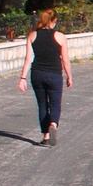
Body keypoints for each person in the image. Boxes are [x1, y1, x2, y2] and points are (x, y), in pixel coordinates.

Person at [18, 9, 73, 146]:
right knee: (55, 103)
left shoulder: (32, 35)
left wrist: (22, 78)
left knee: (42, 105)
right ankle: (53, 124)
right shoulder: (60, 37)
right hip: (54, 74)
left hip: (37, 74)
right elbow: (65, 59)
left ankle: (46, 137)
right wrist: (69, 76)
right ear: (54, 21)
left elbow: (28, 59)